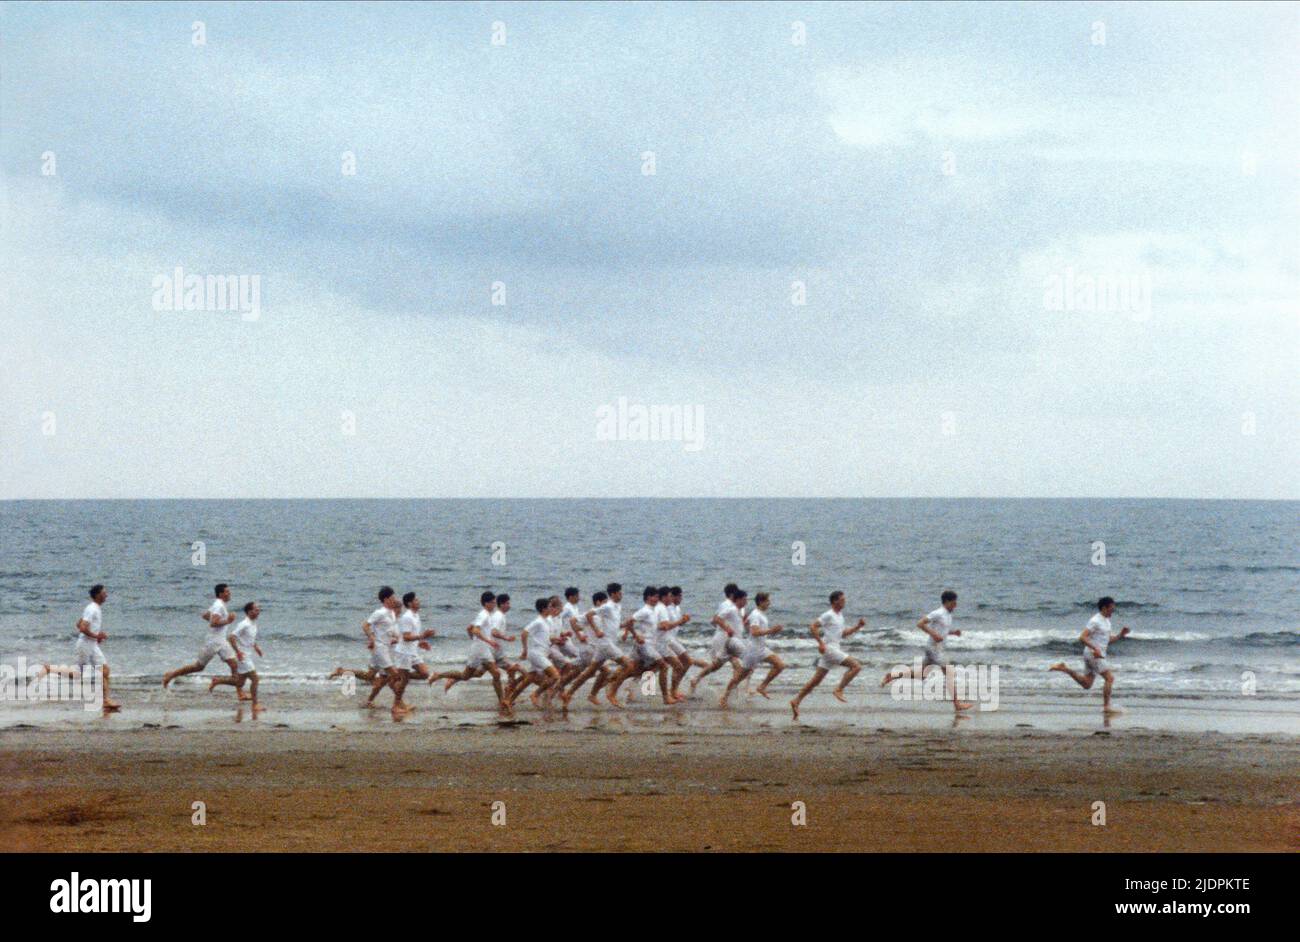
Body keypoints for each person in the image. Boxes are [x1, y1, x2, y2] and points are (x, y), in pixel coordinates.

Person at [881, 590, 972, 712]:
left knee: (920, 675)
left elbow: (942, 631)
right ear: (947, 602)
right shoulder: (938, 613)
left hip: (935, 649)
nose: (956, 605)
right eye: (954, 603)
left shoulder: (948, 615)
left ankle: (892, 675)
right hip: (934, 649)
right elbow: (920, 623)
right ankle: (957, 704)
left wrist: (953, 633)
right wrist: (933, 634)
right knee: (949, 673)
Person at [45, 584, 121, 713]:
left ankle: (106, 701)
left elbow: (78, 624)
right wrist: (96, 635)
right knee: (77, 675)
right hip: (85, 644)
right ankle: (50, 669)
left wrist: (95, 637)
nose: (106, 595)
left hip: (92, 644)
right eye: (104, 593)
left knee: (105, 671)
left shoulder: (94, 608)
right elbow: (82, 628)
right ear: (97, 595)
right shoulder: (92, 609)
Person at [789, 590, 865, 720]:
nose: (844, 602)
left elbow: (843, 634)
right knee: (856, 666)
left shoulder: (840, 615)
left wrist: (857, 626)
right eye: (842, 599)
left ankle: (796, 700)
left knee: (816, 681)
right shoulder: (828, 615)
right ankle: (839, 689)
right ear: (835, 601)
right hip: (829, 649)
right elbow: (813, 626)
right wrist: (820, 643)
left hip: (833, 648)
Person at [1050, 596, 1131, 715]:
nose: (1113, 611)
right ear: (1104, 608)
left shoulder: (1107, 621)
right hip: (1093, 654)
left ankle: (1064, 668)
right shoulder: (1095, 620)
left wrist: (1120, 635)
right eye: (1111, 609)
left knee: (1087, 684)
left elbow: (1107, 640)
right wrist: (1095, 648)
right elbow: (1082, 637)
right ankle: (1106, 707)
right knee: (1110, 678)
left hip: (1095, 654)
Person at [162, 584, 243, 693]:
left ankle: (238, 693)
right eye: (227, 592)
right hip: (214, 641)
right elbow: (213, 623)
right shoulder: (219, 606)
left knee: (234, 666)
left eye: (229, 591)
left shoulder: (218, 604)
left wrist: (221, 621)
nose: (229, 594)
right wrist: (228, 621)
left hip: (220, 640)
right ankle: (171, 675)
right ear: (221, 594)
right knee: (198, 667)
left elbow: (205, 615)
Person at [440, 591, 511, 715]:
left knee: (473, 674)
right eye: (493, 602)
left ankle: (449, 678)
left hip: (486, 649)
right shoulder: (489, 615)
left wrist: (476, 640)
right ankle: (505, 700)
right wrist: (491, 641)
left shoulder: (489, 614)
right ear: (487, 603)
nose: (495, 604)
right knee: (501, 672)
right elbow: (478, 630)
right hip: (488, 650)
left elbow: (470, 628)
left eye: (495, 602)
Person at [721, 591, 784, 706]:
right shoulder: (756, 614)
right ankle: (724, 698)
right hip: (753, 651)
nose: (769, 604)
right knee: (740, 677)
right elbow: (754, 632)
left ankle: (762, 687)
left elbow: (746, 623)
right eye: (767, 601)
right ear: (761, 602)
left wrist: (744, 626)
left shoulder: (758, 614)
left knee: (780, 665)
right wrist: (771, 631)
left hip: (761, 648)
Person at [688, 583, 747, 694]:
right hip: (724, 639)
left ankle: (732, 690)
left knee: (723, 665)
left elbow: (716, 621)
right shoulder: (727, 605)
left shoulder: (734, 607)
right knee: (724, 664)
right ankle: (731, 691)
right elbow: (716, 619)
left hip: (729, 639)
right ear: (732, 594)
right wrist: (726, 629)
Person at [210, 601, 265, 715]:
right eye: (256, 609)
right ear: (249, 612)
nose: (258, 611)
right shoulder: (244, 624)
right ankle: (255, 705)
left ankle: (217, 681)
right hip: (243, 657)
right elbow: (231, 637)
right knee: (255, 679)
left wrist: (256, 647)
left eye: (258, 609)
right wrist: (238, 652)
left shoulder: (253, 623)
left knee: (239, 683)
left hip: (247, 655)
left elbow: (249, 639)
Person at [363, 587, 403, 711]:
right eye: (393, 597)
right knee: (396, 675)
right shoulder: (379, 612)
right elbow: (365, 625)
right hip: (380, 648)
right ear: (386, 599)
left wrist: (398, 638)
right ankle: (399, 705)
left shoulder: (391, 613)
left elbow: (391, 630)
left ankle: (368, 701)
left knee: (382, 678)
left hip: (387, 648)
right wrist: (371, 638)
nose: (395, 599)